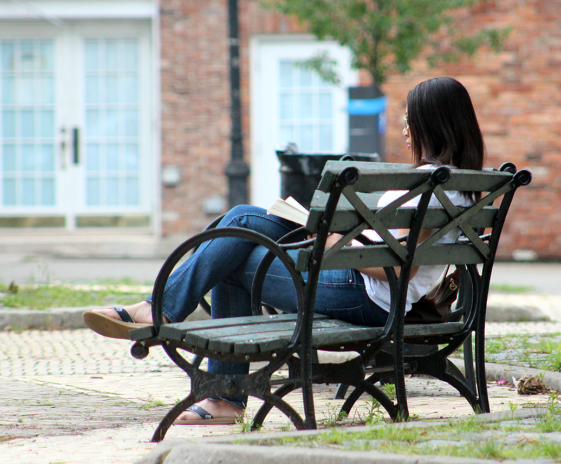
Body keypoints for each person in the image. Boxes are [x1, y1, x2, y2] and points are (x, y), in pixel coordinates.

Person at [84, 76, 486, 425]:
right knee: (240, 222)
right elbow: (400, 255)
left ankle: (185, 342)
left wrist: (332, 243)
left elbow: (401, 269)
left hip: (362, 293)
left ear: (432, 124)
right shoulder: (461, 188)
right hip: (363, 284)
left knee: (234, 242)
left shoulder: (426, 186)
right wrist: (334, 238)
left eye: (409, 119)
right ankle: (194, 352)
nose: (404, 129)